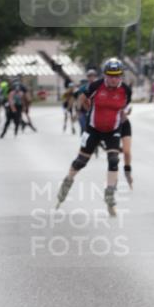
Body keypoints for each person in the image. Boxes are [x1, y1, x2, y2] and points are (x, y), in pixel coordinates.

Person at [55, 58, 131, 217]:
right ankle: (68, 181)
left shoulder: (125, 90)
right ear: (105, 75)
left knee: (113, 160)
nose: (113, 79)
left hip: (113, 129)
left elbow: (125, 106)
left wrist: (123, 115)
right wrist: (87, 110)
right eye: (110, 76)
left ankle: (109, 194)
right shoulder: (96, 86)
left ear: (121, 76)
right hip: (93, 129)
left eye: (117, 76)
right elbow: (82, 98)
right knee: (80, 162)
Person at [75, 67, 98, 133]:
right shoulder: (83, 88)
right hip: (84, 111)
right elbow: (79, 99)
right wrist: (78, 110)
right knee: (84, 127)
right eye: (90, 76)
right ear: (87, 77)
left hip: (95, 111)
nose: (91, 78)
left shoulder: (99, 86)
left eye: (93, 76)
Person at [120, 104, 134, 188]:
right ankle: (113, 176)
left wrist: (128, 110)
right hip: (111, 125)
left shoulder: (122, 92)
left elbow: (129, 110)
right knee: (113, 154)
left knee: (127, 151)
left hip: (124, 124)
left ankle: (127, 172)